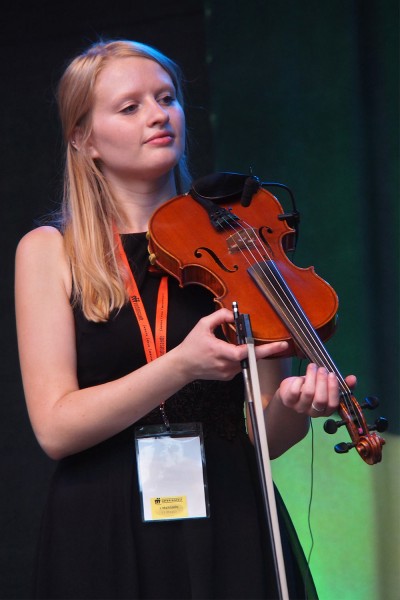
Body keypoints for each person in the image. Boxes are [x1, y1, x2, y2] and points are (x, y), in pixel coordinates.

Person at [15, 39, 355, 600]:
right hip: (102, 521)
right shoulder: (50, 250)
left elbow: (262, 439)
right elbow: (56, 429)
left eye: (165, 98)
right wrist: (182, 366)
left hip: (228, 506)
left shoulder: (246, 242)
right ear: (84, 139)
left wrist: (295, 408)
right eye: (130, 107)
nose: (158, 114)